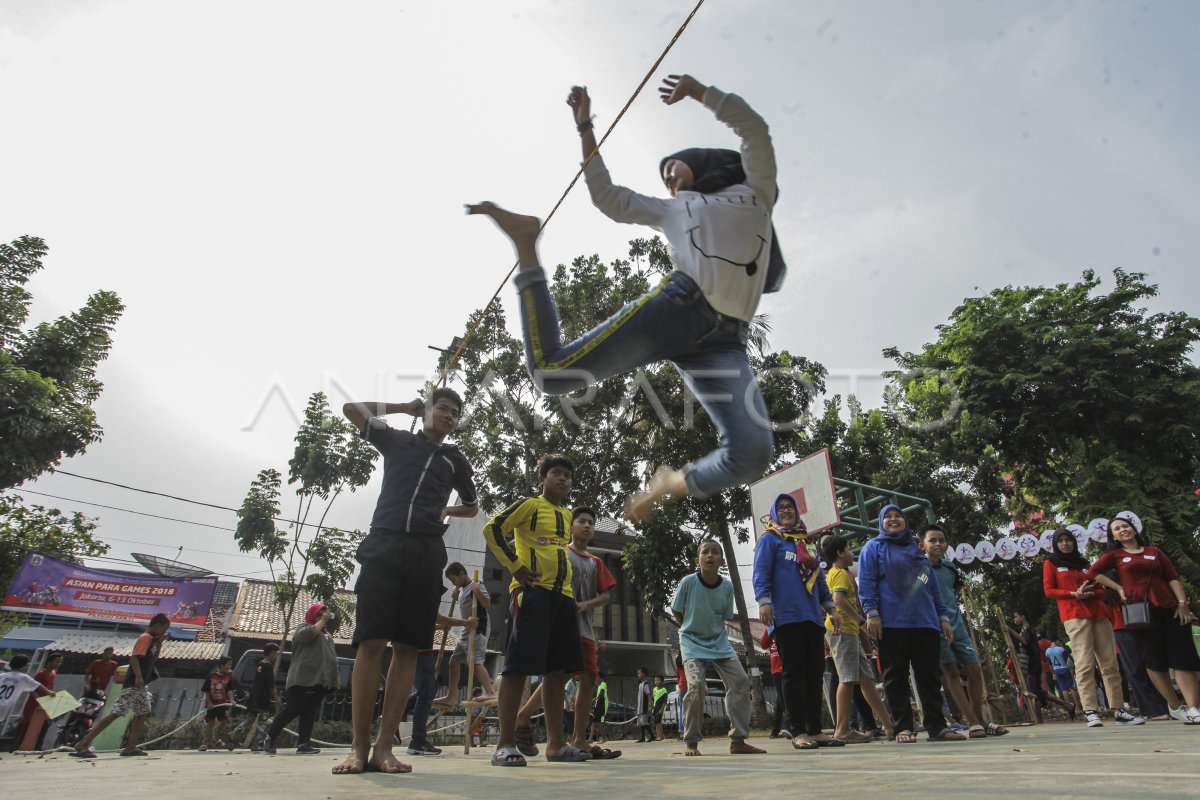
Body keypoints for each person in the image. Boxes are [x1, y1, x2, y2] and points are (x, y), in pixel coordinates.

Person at [468, 71, 785, 522]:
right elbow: (608, 198)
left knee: (754, 453)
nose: (668, 181)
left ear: (699, 161)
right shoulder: (671, 208)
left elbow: (755, 129)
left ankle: (672, 483)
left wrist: (700, 93)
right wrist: (585, 127)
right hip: (681, 308)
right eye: (664, 179)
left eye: (672, 169)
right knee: (551, 374)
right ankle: (525, 242)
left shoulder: (758, 191)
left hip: (725, 343)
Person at [337, 388, 479, 775]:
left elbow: (473, 504)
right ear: (427, 411)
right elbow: (352, 409)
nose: (448, 416)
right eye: (442, 409)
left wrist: (445, 509)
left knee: (407, 647)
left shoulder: (454, 459)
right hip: (383, 543)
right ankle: (358, 746)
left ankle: (385, 748)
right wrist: (403, 407)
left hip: (426, 551)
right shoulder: (396, 439)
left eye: (454, 413)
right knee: (370, 643)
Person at [485, 454, 590, 766]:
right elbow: (493, 529)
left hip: (563, 598)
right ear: (542, 478)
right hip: (532, 594)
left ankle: (556, 745)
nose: (562, 479)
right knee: (517, 667)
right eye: (556, 473)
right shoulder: (530, 505)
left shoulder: (567, 515)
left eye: (567, 476)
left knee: (556, 670)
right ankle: (505, 744)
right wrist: (515, 567)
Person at [512, 505, 621, 759]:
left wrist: (585, 604)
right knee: (556, 676)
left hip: (584, 627)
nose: (586, 526)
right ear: (570, 527)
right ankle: (528, 719)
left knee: (588, 678)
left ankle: (578, 738)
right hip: (559, 623)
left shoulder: (596, 562)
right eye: (581, 521)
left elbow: (605, 595)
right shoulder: (560, 553)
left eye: (590, 523)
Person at [858, 505, 963, 743]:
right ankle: (903, 727)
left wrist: (943, 617)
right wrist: (871, 613)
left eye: (898, 516)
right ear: (881, 523)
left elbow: (932, 587)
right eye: (888, 517)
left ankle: (937, 726)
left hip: (925, 622)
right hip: (892, 623)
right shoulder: (873, 548)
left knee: (930, 676)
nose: (894, 520)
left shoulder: (917, 552)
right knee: (895, 676)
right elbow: (866, 582)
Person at [1088, 513, 1200, 724]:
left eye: (1125, 526)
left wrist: (1182, 602)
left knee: (1182, 659)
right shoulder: (1116, 555)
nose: (1123, 530)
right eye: (1117, 529)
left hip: (1170, 609)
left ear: (1134, 529)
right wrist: (1119, 587)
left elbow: (1172, 577)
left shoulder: (1154, 552)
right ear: (1114, 536)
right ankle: (1175, 706)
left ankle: (1194, 708)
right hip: (1140, 613)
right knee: (1154, 661)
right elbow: (1093, 572)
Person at [752, 494, 840, 750]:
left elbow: (820, 578)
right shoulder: (770, 539)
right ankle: (797, 729)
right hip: (786, 615)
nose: (786, 510)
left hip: (812, 616)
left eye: (790, 507)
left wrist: (830, 608)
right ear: (773, 513)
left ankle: (815, 729)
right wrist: (764, 601)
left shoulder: (807, 542)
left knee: (814, 671)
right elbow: (761, 571)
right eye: (781, 508)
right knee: (794, 672)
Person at [1041, 527, 1145, 726]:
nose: (1065, 544)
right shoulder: (1051, 563)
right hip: (1074, 615)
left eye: (1068, 540)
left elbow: (1101, 589)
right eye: (1061, 541)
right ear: (1056, 544)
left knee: (1109, 663)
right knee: (1084, 663)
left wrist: (1091, 593)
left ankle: (1118, 709)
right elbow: (1049, 590)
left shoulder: (1084, 564)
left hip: (1099, 614)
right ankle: (1090, 710)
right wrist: (1073, 594)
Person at [673, 538, 766, 757]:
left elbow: (725, 617)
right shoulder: (688, 582)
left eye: (715, 552)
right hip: (692, 642)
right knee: (695, 687)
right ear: (698, 560)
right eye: (705, 552)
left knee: (741, 681)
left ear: (721, 561)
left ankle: (738, 739)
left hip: (719, 642)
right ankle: (692, 741)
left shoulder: (726, 587)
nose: (710, 555)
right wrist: (688, 627)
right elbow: (677, 610)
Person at [920, 525, 1009, 738]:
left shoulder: (950, 568)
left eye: (941, 539)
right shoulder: (920, 570)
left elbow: (955, 589)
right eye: (932, 540)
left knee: (975, 668)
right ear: (922, 545)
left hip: (957, 624)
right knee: (950, 671)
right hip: (935, 627)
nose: (937, 544)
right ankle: (972, 722)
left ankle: (980, 720)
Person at [821, 535, 897, 743]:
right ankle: (842, 730)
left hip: (849, 632)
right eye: (848, 548)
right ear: (839, 553)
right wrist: (861, 621)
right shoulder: (841, 575)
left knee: (866, 680)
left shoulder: (837, 574)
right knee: (847, 679)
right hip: (843, 631)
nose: (851, 552)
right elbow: (838, 600)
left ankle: (889, 725)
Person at [73, 613, 171, 758]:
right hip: (134, 683)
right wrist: (137, 676)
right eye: (164, 628)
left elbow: (154, 658)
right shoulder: (145, 637)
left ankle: (130, 747)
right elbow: (134, 657)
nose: (165, 632)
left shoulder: (153, 640)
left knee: (143, 712)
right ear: (157, 626)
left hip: (142, 684)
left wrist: (160, 642)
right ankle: (83, 743)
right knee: (118, 711)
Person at [264, 604, 340, 756]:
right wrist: (320, 622)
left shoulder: (327, 636)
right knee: (292, 710)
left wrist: (333, 679)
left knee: (309, 712)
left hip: (319, 680)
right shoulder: (304, 628)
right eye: (319, 614)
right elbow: (305, 636)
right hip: (301, 679)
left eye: (324, 615)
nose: (323, 617)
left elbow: (331, 659)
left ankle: (304, 744)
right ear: (313, 616)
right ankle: (270, 737)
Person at [404, 607, 479, 757]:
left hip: (419, 649)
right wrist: (466, 622)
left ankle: (402, 714)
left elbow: (426, 621)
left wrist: (439, 627)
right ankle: (417, 741)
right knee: (425, 694)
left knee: (428, 689)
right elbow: (435, 616)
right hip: (420, 651)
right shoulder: (423, 590)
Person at [433, 562, 497, 708]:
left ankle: (490, 691)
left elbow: (487, 604)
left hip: (478, 629)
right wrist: (456, 598)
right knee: (453, 662)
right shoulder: (462, 590)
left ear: (462, 574)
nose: (453, 583)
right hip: (466, 632)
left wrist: (477, 591)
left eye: (453, 580)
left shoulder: (476, 584)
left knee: (475, 661)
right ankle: (451, 697)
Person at [232, 644, 282, 751]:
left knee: (250, 719)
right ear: (272, 652)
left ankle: (235, 732)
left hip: (254, 695)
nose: (277, 656)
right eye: (276, 653)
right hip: (262, 698)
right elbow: (271, 686)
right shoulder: (268, 667)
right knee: (263, 722)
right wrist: (276, 698)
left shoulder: (260, 664)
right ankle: (257, 744)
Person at [4, 654, 53, 751]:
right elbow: (38, 685)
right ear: (24, 666)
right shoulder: (23, 677)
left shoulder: (2, 675)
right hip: (5, 706)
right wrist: (49, 692)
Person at [200, 656, 235, 751]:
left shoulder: (229, 678)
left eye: (230, 664)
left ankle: (216, 738)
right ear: (221, 665)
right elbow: (206, 691)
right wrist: (210, 703)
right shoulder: (211, 677)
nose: (230, 666)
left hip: (222, 704)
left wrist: (232, 700)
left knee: (223, 721)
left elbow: (229, 690)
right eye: (228, 664)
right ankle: (204, 743)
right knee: (210, 723)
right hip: (212, 705)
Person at [1045, 640, 1083, 714]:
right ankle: (1077, 708)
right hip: (1065, 668)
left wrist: (1053, 673)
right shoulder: (1061, 649)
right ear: (1057, 641)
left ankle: (1069, 707)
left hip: (1056, 670)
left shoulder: (1047, 651)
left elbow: (1050, 664)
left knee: (1064, 689)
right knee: (1072, 688)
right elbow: (1067, 660)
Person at [635, 667, 653, 743]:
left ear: (644, 674)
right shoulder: (640, 684)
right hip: (640, 706)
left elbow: (648, 694)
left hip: (643, 706)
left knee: (644, 722)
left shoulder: (645, 684)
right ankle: (643, 737)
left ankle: (652, 736)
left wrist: (650, 703)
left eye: (639, 673)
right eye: (638, 673)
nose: (638, 675)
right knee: (642, 722)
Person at [590, 672, 610, 743]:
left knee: (600, 723)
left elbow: (601, 695)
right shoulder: (599, 686)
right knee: (594, 722)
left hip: (602, 706)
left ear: (600, 677)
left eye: (596, 677)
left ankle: (604, 738)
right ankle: (590, 739)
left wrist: (593, 699)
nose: (595, 679)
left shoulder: (603, 684)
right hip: (598, 706)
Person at [652, 675, 669, 741]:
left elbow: (665, 701)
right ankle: (657, 735)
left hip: (660, 708)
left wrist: (662, 709)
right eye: (655, 680)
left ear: (662, 682)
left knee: (659, 722)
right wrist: (652, 706)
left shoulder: (664, 690)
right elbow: (653, 699)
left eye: (658, 680)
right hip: (655, 708)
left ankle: (660, 736)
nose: (656, 682)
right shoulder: (654, 689)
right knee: (656, 722)